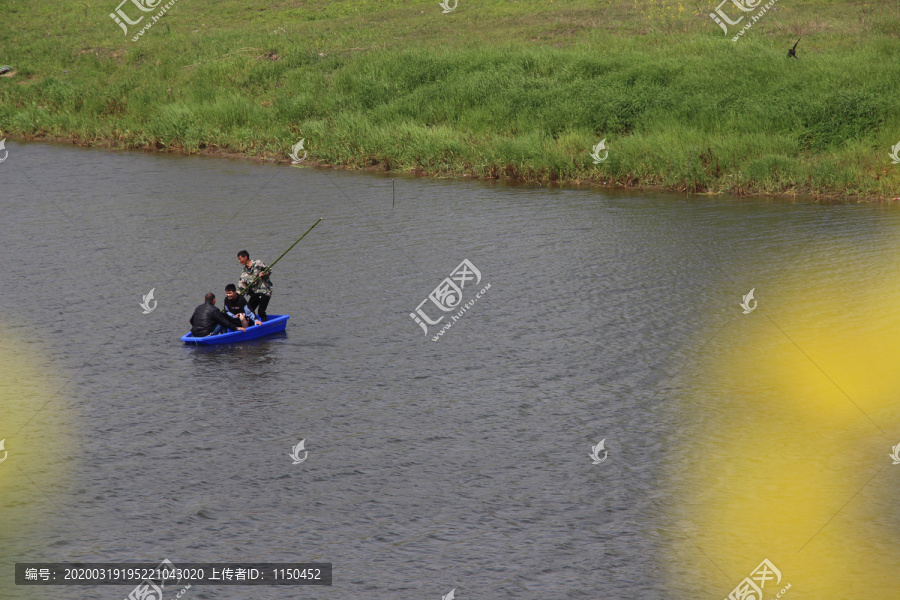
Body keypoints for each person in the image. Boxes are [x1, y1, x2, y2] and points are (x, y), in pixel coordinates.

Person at [237, 250, 273, 321]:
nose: (239, 261)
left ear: (246, 257)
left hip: (264, 291)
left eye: (240, 259)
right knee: (248, 311)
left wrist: (264, 274)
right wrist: (235, 297)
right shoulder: (244, 272)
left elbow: (269, 270)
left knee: (261, 312)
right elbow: (241, 287)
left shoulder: (258, 263)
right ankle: (253, 324)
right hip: (255, 293)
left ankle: (266, 325)